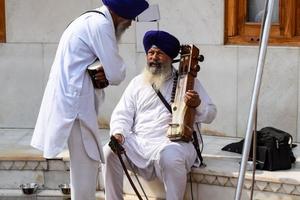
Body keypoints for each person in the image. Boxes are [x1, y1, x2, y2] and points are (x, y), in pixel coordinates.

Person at [30, 1, 149, 200]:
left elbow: (96, 67)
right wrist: (108, 71)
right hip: (76, 106)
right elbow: (116, 72)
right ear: (121, 14)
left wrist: (102, 71)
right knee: (86, 163)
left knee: (85, 164)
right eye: (130, 19)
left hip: (72, 101)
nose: (130, 25)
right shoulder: (101, 25)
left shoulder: (88, 19)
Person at [103, 30, 217, 200]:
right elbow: (122, 113)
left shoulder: (187, 82)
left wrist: (197, 104)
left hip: (172, 143)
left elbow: (211, 114)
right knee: (109, 151)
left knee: (170, 157)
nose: (153, 57)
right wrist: (119, 133)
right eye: (150, 53)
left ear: (170, 57)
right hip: (140, 142)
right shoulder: (137, 83)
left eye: (159, 53)